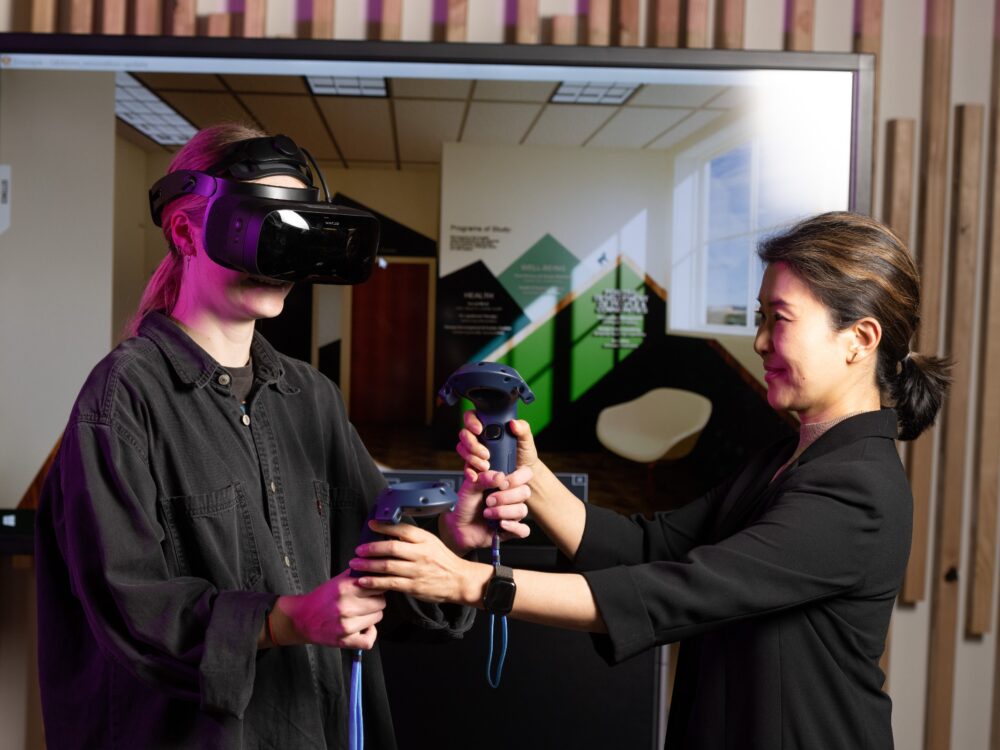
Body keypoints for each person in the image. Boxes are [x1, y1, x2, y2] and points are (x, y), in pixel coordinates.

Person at [350, 211, 952, 749]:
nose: (761, 341)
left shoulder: (860, 489)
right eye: (760, 317)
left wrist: (473, 582)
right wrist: (533, 479)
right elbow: (653, 547)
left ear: (860, 340)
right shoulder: (785, 457)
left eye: (781, 319)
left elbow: (679, 589)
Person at [34, 123, 527, 750]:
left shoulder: (310, 396)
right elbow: (131, 613)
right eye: (257, 227)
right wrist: (286, 618)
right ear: (186, 232)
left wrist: (452, 541)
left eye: (294, 231)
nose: (278, 256)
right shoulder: (122, 399)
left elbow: (370, 573)